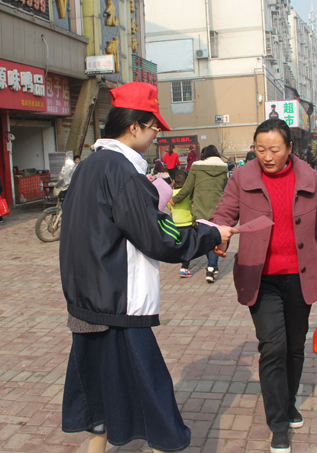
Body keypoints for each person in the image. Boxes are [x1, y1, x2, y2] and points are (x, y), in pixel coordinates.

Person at [59, 81, 235, 453]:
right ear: (134, 126)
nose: (156, 136)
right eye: (154, 128)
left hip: (86, 304)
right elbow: (162, 237)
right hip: (118, 308)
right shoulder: (122, 173)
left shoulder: (88, 168)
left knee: (101, 401)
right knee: (155, 406)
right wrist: (209, 232)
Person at [210, 119, 317, 453]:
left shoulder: (309, 177)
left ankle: (288, 403)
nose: (267, 156)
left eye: (274, 149)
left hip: (300, 275)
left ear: (289, 148)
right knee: (273, 346)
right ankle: (279, 425)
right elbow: (225, 213)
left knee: (294, 348)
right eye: (260, 149)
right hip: (260, 275)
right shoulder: (242, 177)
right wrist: (218, 234)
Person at [169, 145, 228, 283]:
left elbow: (187, 189)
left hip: (201, 208)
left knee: (207, 237)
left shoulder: (196, 167)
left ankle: (211, 267)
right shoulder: (224, 168)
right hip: (218, 207)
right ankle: (212, 268)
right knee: (216, 237)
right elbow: (225, 189)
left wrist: (174, 199)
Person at [167, 169, 194, 277]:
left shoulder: (171, 194)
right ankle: (184, 268)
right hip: (187, 222)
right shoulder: (188, 194)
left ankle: (181, 260)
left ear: (174, 181)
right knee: (188, 245)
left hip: (176, 223)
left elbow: (169, 207)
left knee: (181, 244)